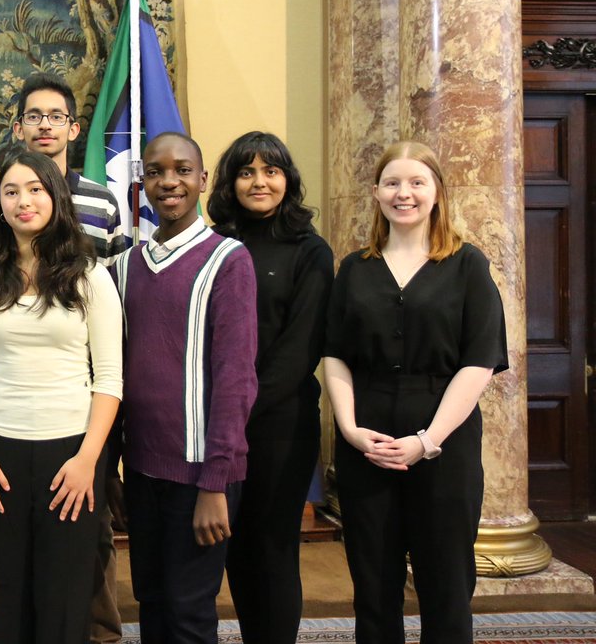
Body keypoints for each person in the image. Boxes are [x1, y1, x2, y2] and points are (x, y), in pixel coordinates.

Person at [323, 141, 507, 644]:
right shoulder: (354, 268)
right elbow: (335, 353)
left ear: (437, 192)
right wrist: (351, 430)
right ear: (377, 193)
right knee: (373, 584)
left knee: (446, 583)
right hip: (368, 440)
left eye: (417, 182)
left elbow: (479, 362)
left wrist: (427, 441)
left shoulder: (468, 266)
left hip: (444, 444)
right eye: (392, 183)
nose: (404, 193)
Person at [0, 73, 127, 644]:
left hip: (74, 441)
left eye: (35, 190)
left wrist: (90, 457)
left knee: (70, 592)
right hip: (2, 445)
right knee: (10, 593)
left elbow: (109, 372)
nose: (23, 200)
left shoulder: (91, 271)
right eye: (12, 192)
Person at [112, 132, 258, 644]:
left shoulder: (228, 260)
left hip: (201, 474)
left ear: (202, 180)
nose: (168, 181)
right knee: (151, 602)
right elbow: (115, 376)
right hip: (144, 469)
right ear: (142, 184)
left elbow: (237, 378)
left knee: (190, 612)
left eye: (180, 170)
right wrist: (115, 469)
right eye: (154, 172)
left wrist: (216, 484)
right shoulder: (126, 266)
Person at [208, 132, 333, 644]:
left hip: (280, 424)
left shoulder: (310, 250)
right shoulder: (211, 243)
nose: (259, 182)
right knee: (233, 547)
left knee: (272, 547)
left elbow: (301, 348)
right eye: (246, 172)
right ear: (229, 182)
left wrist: (239, 411)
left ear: (288, 179)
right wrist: (221, 416)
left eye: (271, 171)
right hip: (216, 423)